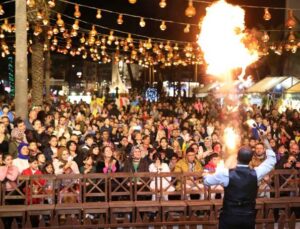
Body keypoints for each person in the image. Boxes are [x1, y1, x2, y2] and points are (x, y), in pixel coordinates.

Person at [203, 137, 276, 229]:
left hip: (229, 216)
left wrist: (205, 175)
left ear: (237, 158)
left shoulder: (226, 173)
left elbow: (207, 182)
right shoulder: (257, 173)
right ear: (250, 159)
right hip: (248, 216)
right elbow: (272, 159)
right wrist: (265, 140)